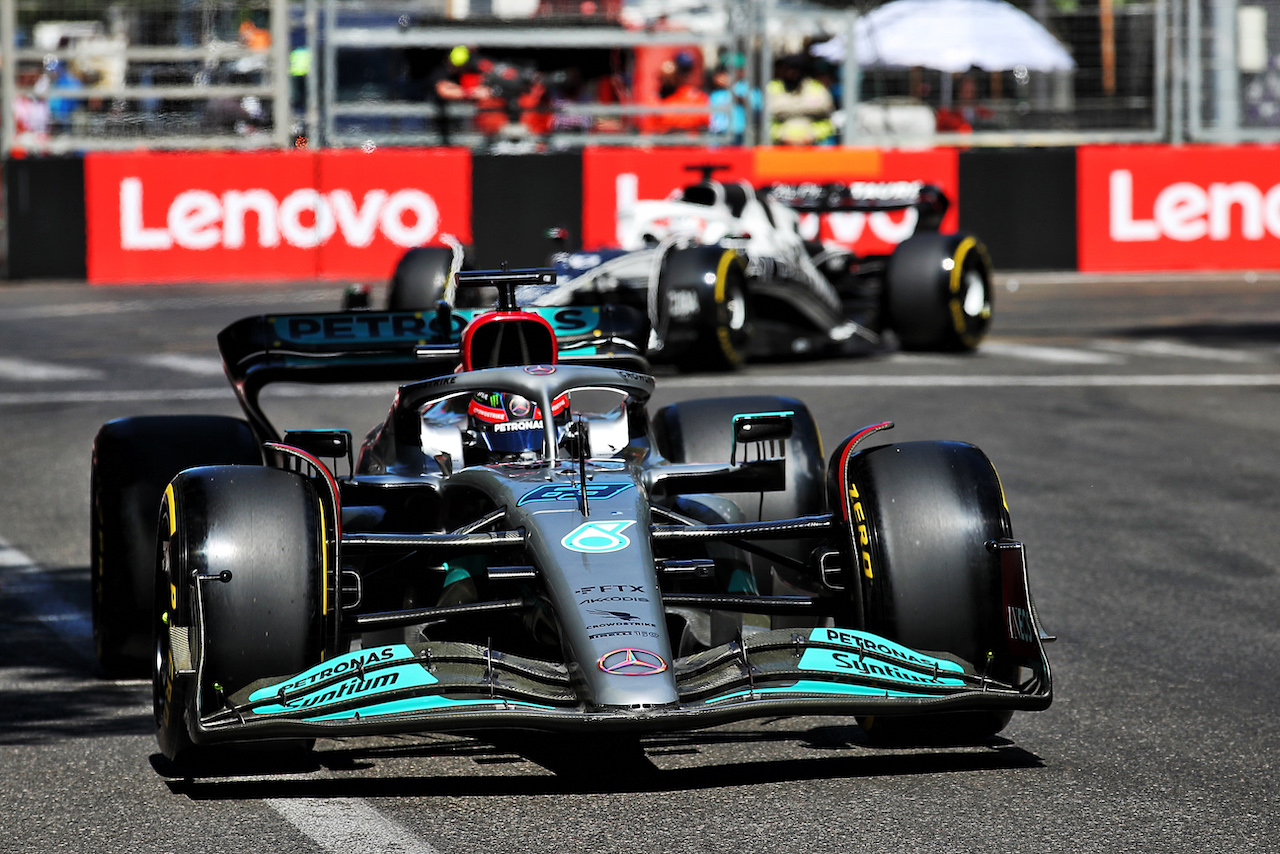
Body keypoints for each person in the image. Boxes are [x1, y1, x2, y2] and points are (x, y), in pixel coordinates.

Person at [767, 54, 835, 145]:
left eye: (795, 69)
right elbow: (764, 122)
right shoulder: (772, 88)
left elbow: (828, 121)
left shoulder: (816, 88)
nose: (791, 73)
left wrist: (812, 135)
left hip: (813, 145)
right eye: (788, 69)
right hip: (779, 146)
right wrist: (781, 135)